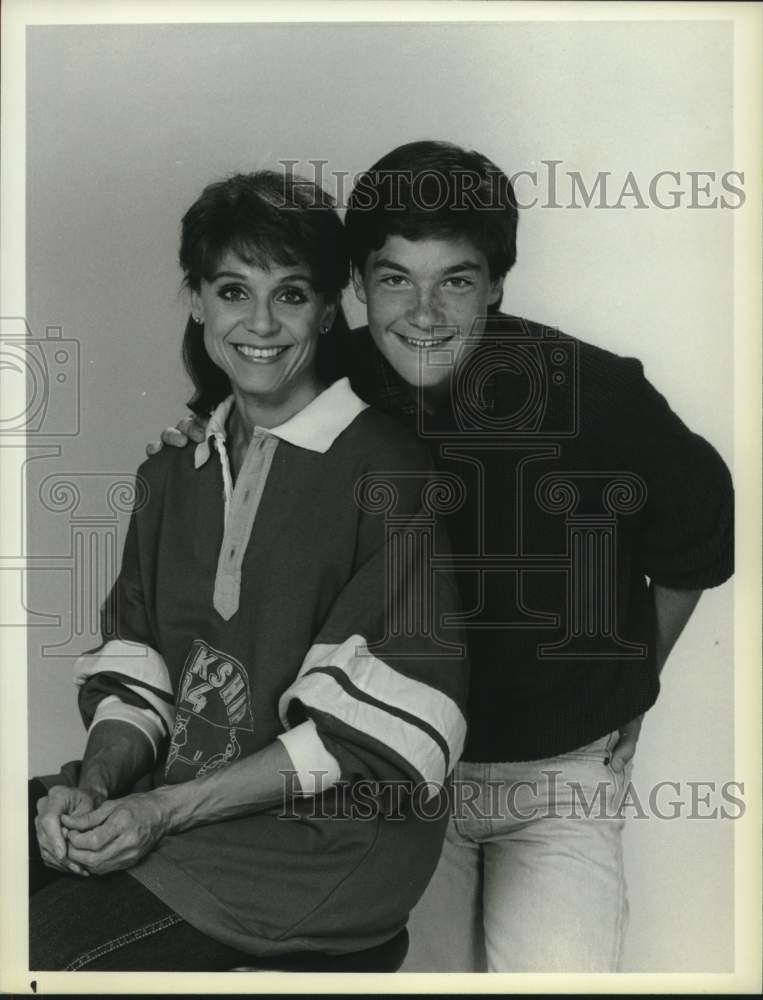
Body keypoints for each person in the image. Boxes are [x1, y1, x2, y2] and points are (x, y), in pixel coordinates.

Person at [154, 141, 735, 972]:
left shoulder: (593, 392)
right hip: (385, 779)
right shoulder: (317, 377)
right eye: (396, 279)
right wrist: (195, 439)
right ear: (354, 284)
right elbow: (225, 435)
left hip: (553, 778)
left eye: (454, 281)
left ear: (494, 284)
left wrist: (634, 676)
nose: (423, 314)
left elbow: (702, 531)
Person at [29, 169, 469, 971]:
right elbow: (140, 674)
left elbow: (372, 739)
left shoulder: (388, 472)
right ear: (196, 299)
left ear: (330, 308)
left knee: (37, 955)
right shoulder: (171, 473)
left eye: (291, 295)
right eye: (233, 291)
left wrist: (161, 811)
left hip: (322, 846)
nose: (259, 323)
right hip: (183, 801)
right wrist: (94, 790)